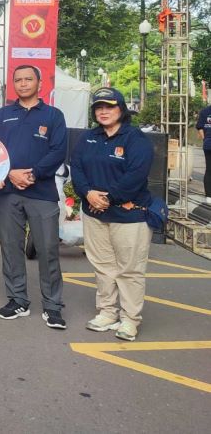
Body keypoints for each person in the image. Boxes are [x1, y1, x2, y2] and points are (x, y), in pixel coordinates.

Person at [70, 87, 154, 341]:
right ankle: (107, 312)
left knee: (130, 269)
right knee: (103, 267)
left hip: (129, 216)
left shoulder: (135, 138)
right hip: (94, 213)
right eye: (99, 107)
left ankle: (130, 320)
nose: (104, 111)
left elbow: (136, 176)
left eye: (109, 106)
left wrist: (106, 199)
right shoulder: (89, 137)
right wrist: (87, 194)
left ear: (121, 109)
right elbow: (78, 168)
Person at [0, 65, 68, 329]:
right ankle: (18, 300)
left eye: (28, 79)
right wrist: (10, 173)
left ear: (39, 83)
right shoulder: (3, 115)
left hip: (42, 193)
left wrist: (33, 174)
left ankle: (53, 306)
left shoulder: (53, 115)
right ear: (13, 84)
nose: (23, 84)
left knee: (47, 250)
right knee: (11, 248)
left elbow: (58, 151)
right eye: (18, 80)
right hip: (8, 193)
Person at [196, 103, 211, 203]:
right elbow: (200, 127)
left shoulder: (204, 111)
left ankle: (209, 196)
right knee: (209, 169)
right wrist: (205, 139)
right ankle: (209, 195)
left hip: (208, 143)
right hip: (209, 144)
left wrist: (204, 138)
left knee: (209, 170)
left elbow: (200, 127)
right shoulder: (205, 111)